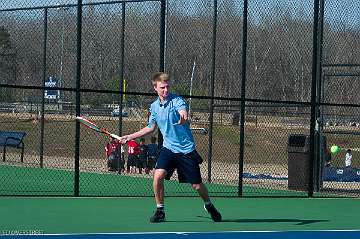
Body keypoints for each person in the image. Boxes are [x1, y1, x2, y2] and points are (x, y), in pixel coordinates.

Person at [119, 72, 221, 223]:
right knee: (157, 176)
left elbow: (183, 112)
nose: (166, 90)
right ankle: (160, 211)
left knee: (197, 186)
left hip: (186, 150)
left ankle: (208, 204)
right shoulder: (154, 107)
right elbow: (150, 128)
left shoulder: (177, 100)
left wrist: (183, 117)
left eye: (167, 87)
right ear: (155, 88)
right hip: (168, 148)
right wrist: (129, 136)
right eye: (162, 88)